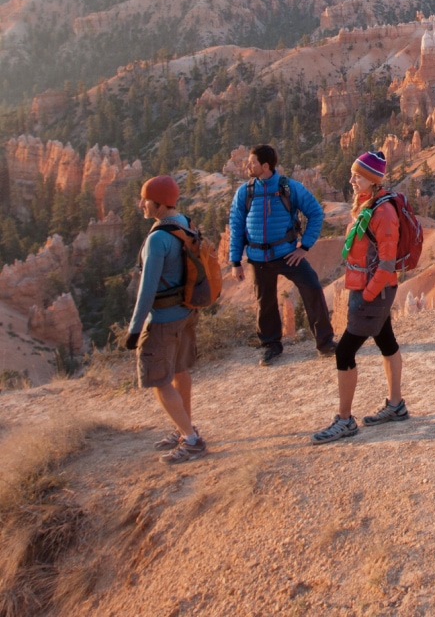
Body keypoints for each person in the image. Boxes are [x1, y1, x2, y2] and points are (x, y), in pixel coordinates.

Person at [311, 151, 408, 444]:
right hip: (368, 288)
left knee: (344, 352)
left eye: (358, 175)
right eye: (353, 174)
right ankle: (396, 405)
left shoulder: (383, 213)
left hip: (372, 291)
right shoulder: (370, 205)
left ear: (373, 179)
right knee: (386, 341)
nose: (352, 180)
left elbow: (387, 263)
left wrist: (367, 295)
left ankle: (344, 421)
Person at [229, 144, 336, 366]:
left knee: (313, 289)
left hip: (288, 254)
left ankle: (325, 343)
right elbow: (236, 226)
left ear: (265, 166)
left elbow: (316, 213)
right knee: (264, 301)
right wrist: (235, 261)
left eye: (252, 162)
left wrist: (304, 247)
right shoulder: (245, 192)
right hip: (258, 258)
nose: (248, 165)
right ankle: (271, 346)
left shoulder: (290, 188)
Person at [125, 175, 207, 465]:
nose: (141, 204)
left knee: (159, 380)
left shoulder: (157, 238)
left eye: (145, 200)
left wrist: (135, 330)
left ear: (158, 203)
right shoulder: (184, 223)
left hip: (162, 319)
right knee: (180, 371)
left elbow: (147, 289)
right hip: (186, 312)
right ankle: (183, 427)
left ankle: (192, 439)